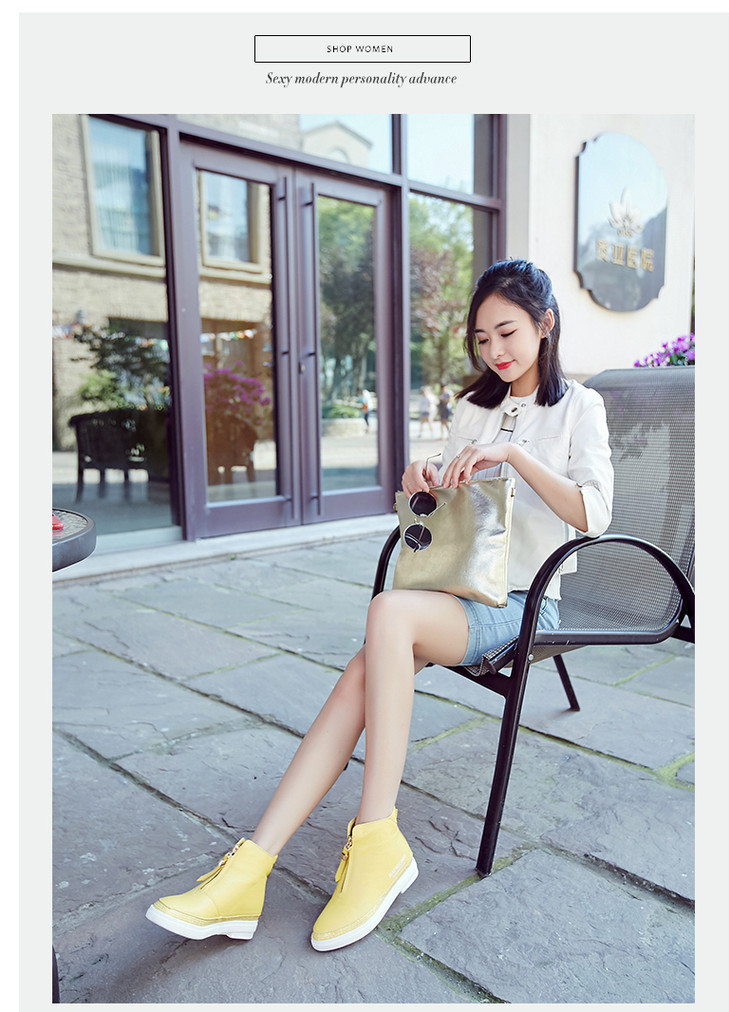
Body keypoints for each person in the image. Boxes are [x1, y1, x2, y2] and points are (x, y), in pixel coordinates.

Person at [145, 259, 614, 953]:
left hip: (526, 600)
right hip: (455, 590)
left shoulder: (579, 408)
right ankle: (251, 867)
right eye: (482, 337)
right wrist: (422, 477)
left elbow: (595, 515)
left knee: (388, 615)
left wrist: (514, 457)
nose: (494, 349)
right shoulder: (472, 408)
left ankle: (374, 840)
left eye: (507, 331)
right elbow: (446, 507)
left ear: (545, 324)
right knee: (368, 664)